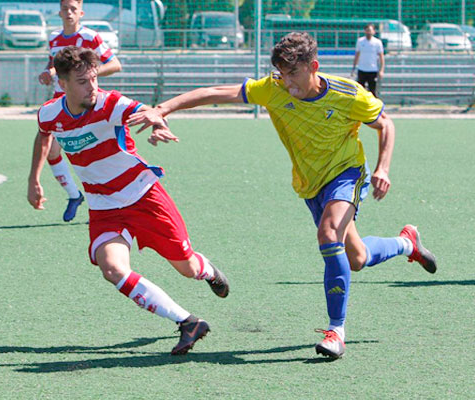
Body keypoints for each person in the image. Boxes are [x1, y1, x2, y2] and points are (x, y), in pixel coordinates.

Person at [127, 32, 437, 360]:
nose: (287, 83)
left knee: (328, 234)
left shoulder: (348, 94)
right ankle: (407, 243)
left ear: (313, 67)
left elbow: (385, 124)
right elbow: (219, 92)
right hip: (309, 183)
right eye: (281, 73)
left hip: (346, 173)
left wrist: (383, 169)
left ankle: (336, 331)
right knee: (356, 258)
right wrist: (162, 109)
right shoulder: (273, 88)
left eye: (293, 74)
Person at [28, 46, 229, 355]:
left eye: (94, 78)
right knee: (112, 268)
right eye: (82, 81)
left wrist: (159, 124)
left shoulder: (110, 104)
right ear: (64, 83)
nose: (92, 87)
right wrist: (34, 179)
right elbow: (44, 136)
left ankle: (209, 271)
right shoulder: (50, 113)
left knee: (187, 267)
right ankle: (188, 322)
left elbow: (146, 111)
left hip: (142, 196)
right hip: (103, 207)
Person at [37, 0, 123, 222]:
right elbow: (54, 66)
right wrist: (48, 73)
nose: (69, 12)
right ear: (59, 12)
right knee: (52, 152)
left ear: (81, 13)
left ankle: (111, 201)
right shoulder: (54, 38)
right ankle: (74, 196)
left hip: (86, 104)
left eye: (73, 9)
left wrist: (88, 77)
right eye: (65, 8)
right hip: (60, 103)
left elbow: (115, 64)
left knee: (95, 154)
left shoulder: (89, 37)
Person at [352, 23, 385, 97]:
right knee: (360, 91)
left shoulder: (377, 42)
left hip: (372, 70)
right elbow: (357, 54)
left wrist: (381, 70)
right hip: (362, 69)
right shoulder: (360, 41)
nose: (368, 32)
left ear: (373, 31)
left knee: (372, 91)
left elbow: (381, 57)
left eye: (370, 30)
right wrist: (354, 67)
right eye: (367, 30)